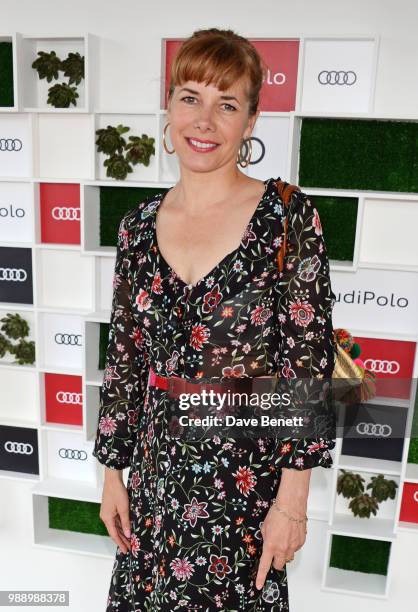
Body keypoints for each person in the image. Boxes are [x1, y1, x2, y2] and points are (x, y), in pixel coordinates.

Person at [92, 27, 337, 611]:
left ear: (250, 121)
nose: (204, 121)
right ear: (170, 106)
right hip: (155, 475)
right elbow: (126, 358)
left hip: (244, 485)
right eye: (191, 98)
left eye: (226, 104)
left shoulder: (287, 216)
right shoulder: (136, 226)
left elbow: (307, 364)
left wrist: (292, 500)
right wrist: (112, 475)